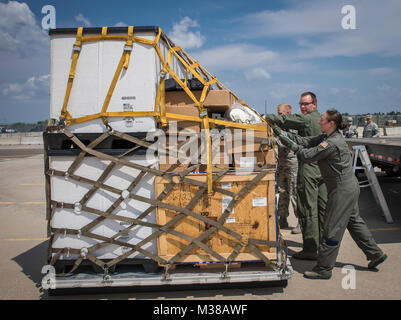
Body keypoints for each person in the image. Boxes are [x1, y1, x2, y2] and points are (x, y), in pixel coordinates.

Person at [274, 109, 387, 279]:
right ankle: (375, 253)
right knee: (354, 221)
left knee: (331, 228)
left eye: (322, 120)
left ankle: (324, 269)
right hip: (347, 187)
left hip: (341, 190)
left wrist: (284, 139)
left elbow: (305, 155)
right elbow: (306, 141)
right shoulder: (327, 138)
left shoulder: (331, 143)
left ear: (331, 124)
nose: (319, 122)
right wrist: (284, 133)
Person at [265, 92, 327, 260]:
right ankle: (322, 244)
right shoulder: (321, 120)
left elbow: (294, 142)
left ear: (314, 104)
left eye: (306, 104)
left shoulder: (304, 120)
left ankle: (310, 248)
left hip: (305, 166)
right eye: (301, 103)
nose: (303, 106)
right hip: (319, 168)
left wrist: (268, 119)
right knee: (319, 208)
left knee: (306, 206)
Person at [275, 104, 300, 234]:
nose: (279, 116)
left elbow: (291, 142)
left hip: (292, 163)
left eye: (281, 113)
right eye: (278, 113)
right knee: (282, 191)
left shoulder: (293, 126)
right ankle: (283, 218)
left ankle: (301, 222)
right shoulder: (277, 126)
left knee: (294, 192)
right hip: (281, 164)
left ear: (288, 112)